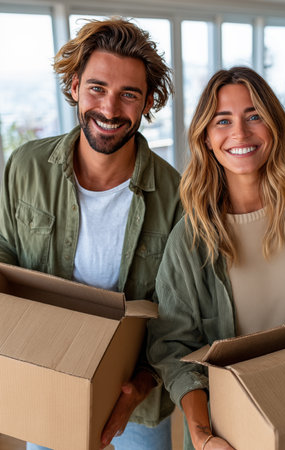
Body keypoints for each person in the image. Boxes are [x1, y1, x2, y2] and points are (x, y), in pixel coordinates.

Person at [147, 66, 285, 450]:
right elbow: (173, 348)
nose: (240, 133)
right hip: (232, 430)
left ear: (275, 126)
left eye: (254, 116)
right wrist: (201, 435)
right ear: (207, 138)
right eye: (222, 120)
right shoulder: (189, 240)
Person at [0, 18, 182, 450]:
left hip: (136, 399)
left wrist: (141, 384)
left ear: (148, 102)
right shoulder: (25, 167)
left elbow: (182, 314)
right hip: (47, 377)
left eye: (129, 94)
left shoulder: (178, 196)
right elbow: (4, 251)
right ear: (76, 85)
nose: (109, 108)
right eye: (97, 88)